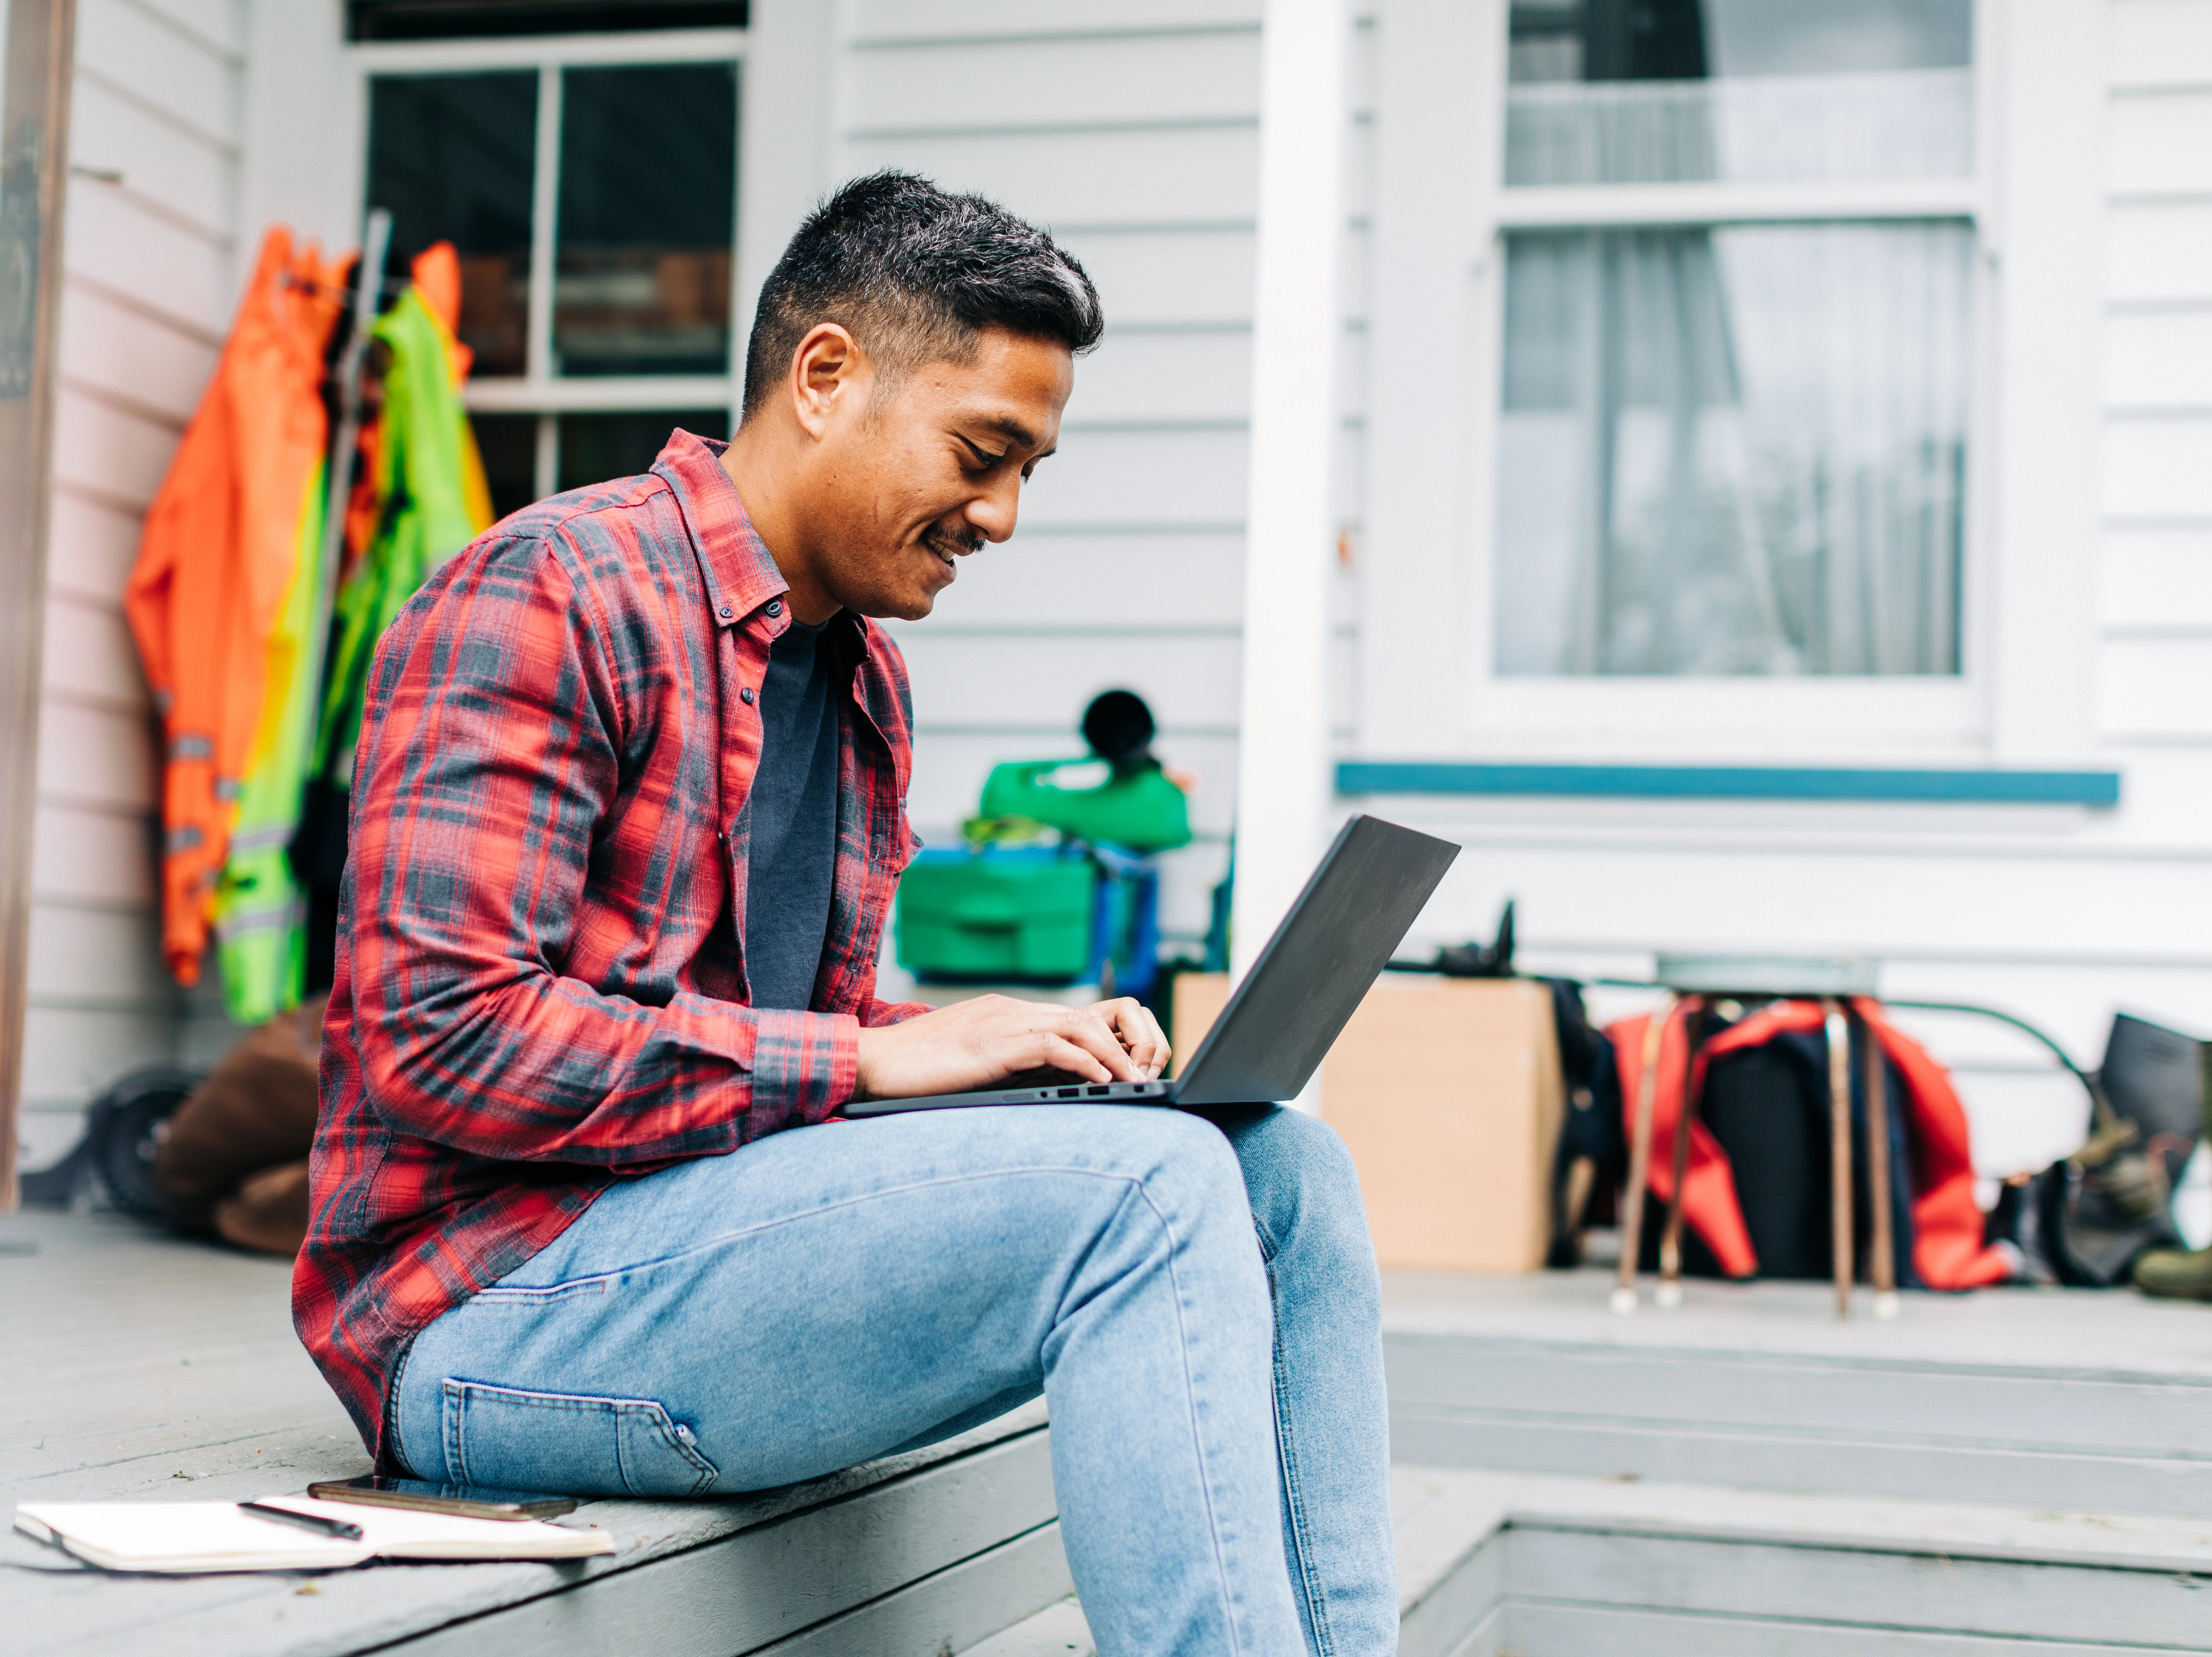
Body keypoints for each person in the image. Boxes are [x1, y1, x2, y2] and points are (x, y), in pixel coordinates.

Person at [294, 172, 1394, 1657]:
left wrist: (966, 1037)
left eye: (1029, 470)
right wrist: (866, 1061)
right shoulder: (550, 594)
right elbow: (445, 1035)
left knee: (1278, 1170)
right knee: (1146, 1198)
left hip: (686, 1242)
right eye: (981, 451)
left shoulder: (860, 679)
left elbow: (752, 1025)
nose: (1001, 514)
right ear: (825, 379)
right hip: (484, 1312)